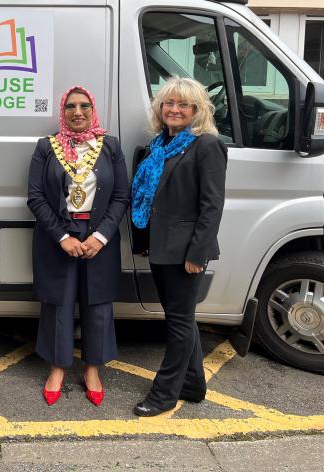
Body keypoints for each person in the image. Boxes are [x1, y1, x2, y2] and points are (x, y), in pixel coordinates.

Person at [130, 76, 228, 417]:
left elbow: (211, 206)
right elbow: (152, 198)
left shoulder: (206, 145)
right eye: (168, 103)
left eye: (183, 105)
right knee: (180, 318)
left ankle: (164, 394)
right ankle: (193, 384)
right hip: (160, 248)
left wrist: (196, 255)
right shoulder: (159, 145)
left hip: (185, 252)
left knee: (178, 323)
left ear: (197, 111)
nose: (174, 109)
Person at [27, 86, 129, 407]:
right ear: (63, 110)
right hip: (59, 234)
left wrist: (100, 237)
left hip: (99, 234)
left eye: (85, 105)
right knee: (58, 302)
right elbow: (36, 197)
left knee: (97, 305)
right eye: (70, 106)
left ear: (93, 109)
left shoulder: (109, 146)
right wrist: (63, 236)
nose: (78, 112)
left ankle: (93, 370)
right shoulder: (47, 147)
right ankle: (57, 368)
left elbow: (121, 196)